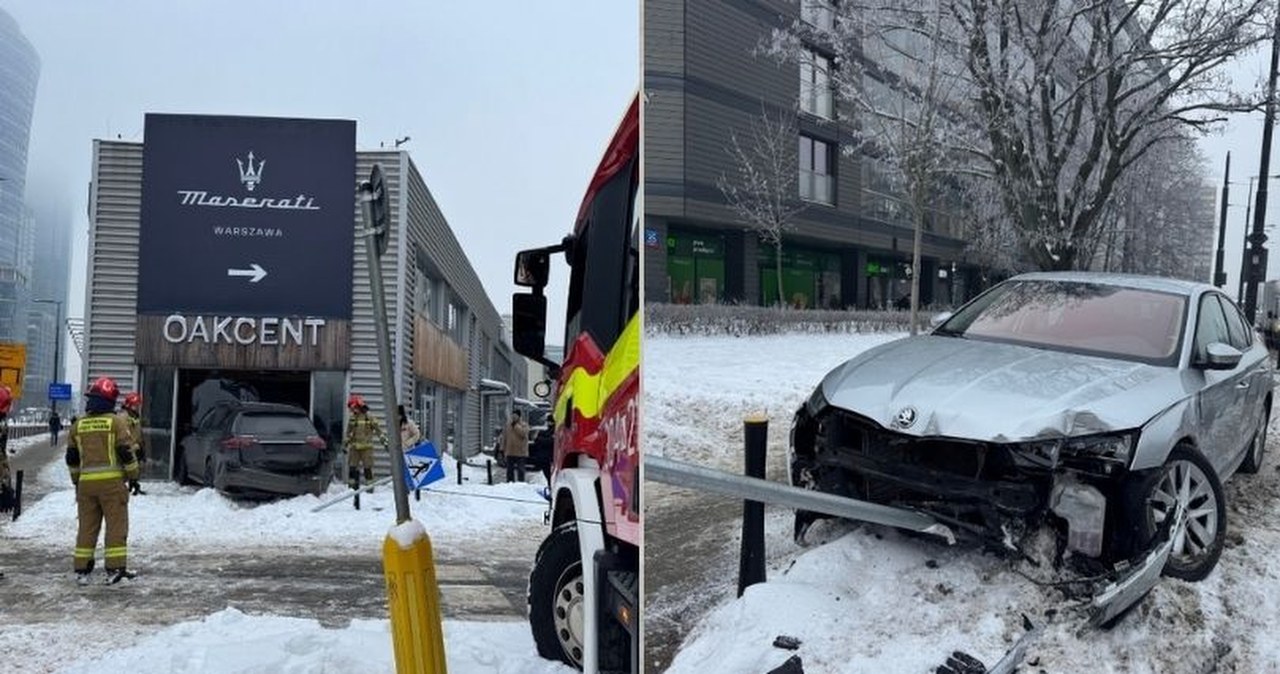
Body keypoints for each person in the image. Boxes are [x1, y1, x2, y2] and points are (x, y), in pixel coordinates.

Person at [67, 377, 140, 585]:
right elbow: (126, 453)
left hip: (85, 486)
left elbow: (72, 459)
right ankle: (115, 568)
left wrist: (76, 481)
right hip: (112, 486)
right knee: (116, 526)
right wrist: (134, 477)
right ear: (110, 400)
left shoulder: (78, 425)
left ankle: (82, 568)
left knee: (87, 527)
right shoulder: (116, 422)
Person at [343, 394, 387, 490]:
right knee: (352, 468)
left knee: (368, 469)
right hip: (354, 448)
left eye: (354, 407)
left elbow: (379, 431)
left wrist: (385, 443)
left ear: (359, 405)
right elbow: (349, 433)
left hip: (367, 448)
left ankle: (370, 488)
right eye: (351, 408)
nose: (353, 410)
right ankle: (351, 489)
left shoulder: (369, 417)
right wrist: (345, 445)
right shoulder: (352, 418)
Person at [119, 393, 145, 494]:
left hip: (134, 450)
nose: (137, 407)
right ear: (129, 405)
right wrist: (135, 447)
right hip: (127, 451)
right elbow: (124, 438)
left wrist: (141, 446)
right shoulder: (123, 418)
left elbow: (137, 434)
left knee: (134, 470)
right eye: (135, 405)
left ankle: (133, 483)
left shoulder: (135, 418)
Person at [500, 410, 530, 483]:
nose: (513, 417)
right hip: (510, 451)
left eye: (515, 416)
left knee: (520, 469)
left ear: (519, 417)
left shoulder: (524, 425)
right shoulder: (508, 425)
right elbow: (504, 437)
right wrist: (502, 448)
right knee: (509, 469)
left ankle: (521, 483)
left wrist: (516, 426)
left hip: (521, 452)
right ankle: (510, 482)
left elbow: (523, 434)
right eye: (512, 416)